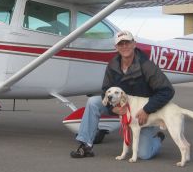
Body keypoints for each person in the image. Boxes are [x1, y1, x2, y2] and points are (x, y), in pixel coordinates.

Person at [70, 30, 174, 159]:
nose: (124, 46)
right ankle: (85, 145)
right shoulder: (112, 65)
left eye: (127, 43)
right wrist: (112, 108)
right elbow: (105, 91)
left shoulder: (147, 65)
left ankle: (158, 138)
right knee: (93, 102)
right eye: (121, 44)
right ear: (116, 47)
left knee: (144, 154)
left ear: (134, 44)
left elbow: (167, 90)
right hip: (120, 107)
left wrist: (147, 109)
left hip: (143, 112)